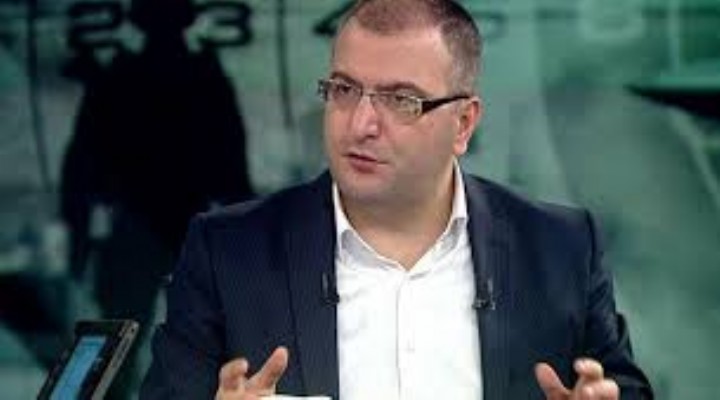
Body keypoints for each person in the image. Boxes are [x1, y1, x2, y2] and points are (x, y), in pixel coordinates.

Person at [140, 0, 653, 399]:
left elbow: (620, 387)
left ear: (463, 123)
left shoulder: (560, 247)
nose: (361, 124)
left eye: (400, 100)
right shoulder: (228, 252)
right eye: (344, 90)